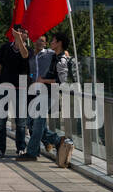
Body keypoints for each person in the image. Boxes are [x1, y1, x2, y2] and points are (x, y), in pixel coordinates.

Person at [21, 31, 74, 166]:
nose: (51, 43)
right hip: (43, 93)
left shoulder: (61, 60)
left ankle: (32, 153)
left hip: (50, 94)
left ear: (59, 43)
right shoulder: (55, 56)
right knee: (32, 123)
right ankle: (58, 140)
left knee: (37, 124)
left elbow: (61, 81)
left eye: (54, 41)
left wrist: (43, 80)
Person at [0, 25, 31, 158]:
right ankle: (0, 148)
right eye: (20, 32)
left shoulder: (29, 49)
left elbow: (24, 55)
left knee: (21, 122)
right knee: (1, 121)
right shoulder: (5, 48)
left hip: (20, 89)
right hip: (4, 87)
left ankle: (21, 147)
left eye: (24, 33)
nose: (22, 34)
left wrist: (19, 40)